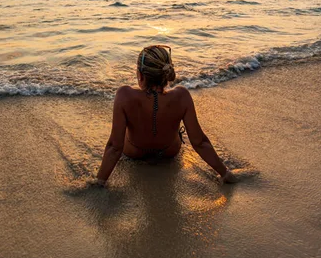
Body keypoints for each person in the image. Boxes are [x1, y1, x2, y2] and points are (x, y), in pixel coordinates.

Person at [94, 44, 238, 186]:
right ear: (166, 74)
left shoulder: (124, 95)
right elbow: (199, 142)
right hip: (168, 152)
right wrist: (224, 173)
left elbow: (115, 147)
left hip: (134, 152)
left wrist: (99, 181)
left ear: (141, 75)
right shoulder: (182, 96)